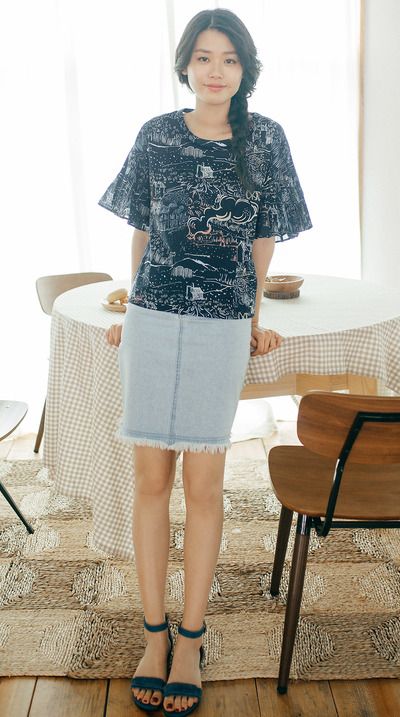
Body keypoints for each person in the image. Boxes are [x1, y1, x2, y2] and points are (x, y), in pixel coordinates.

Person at [98, 8, 312, 716]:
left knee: (205, 484)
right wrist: (133, 311)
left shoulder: (266, 139)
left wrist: (253, 318)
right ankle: (153, 634)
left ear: (245, 70)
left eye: (229, 59)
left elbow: (263, 239)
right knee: (150, 479)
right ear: (185, 65)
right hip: (154, 317)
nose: (215, 71)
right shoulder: (156, 134)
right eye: (203, 57)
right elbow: (142, 231)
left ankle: (191, 638)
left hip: (222, 323)